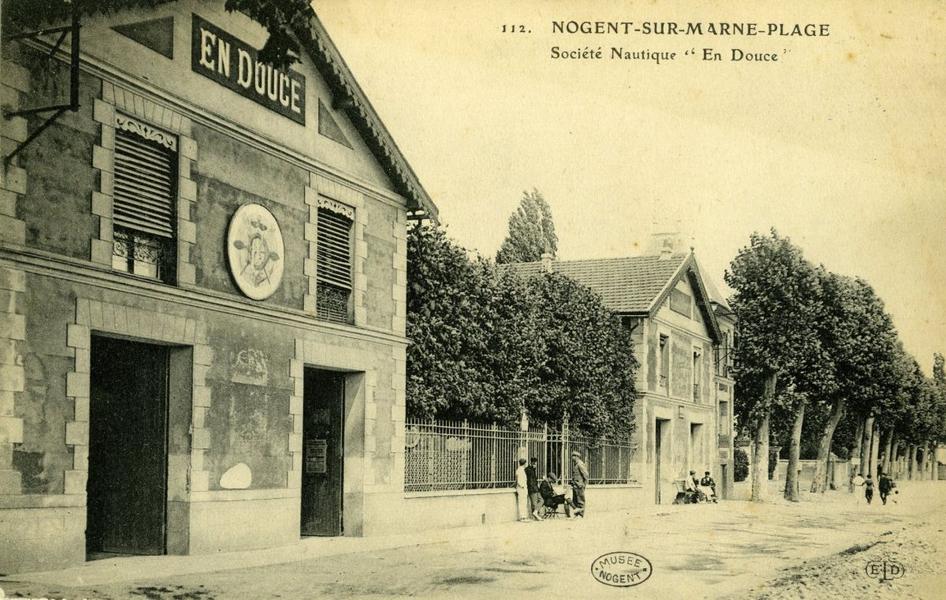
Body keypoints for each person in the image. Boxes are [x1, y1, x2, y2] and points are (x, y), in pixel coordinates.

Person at [570, 451, 589, 517]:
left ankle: (581, 515)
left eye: (573, 456)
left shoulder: (580, 464)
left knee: (580, 501)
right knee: (575, 500)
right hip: (575, 485)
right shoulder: (576, 464)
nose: (572, 458)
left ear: (577, 457)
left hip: (579, 485)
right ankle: (576, 515)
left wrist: (583, 485)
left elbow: (586, 475)